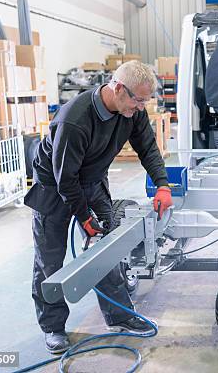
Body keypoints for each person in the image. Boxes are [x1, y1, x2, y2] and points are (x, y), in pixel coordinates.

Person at [25, 60, 173, 354]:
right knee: (49, 260)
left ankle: (119, 315)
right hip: (55, 189)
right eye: (138, 100)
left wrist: (163, 184)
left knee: (107, 248)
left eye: (146, 100)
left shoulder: (131, 111)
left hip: (92, 181)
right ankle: (53, 327)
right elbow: (65, 178)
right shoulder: (75, 119)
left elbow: (147, 147)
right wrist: (84, 216)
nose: (142, 107)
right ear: (118, 89)